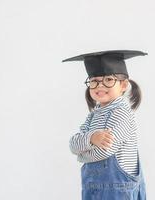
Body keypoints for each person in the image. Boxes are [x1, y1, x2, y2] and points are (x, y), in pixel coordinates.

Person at [63, 50, 147, 200]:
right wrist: (92, 138)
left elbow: (105, 151)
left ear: (123, 85)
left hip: (118, 191)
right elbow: (72, 144)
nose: (99, 86)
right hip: (91, 188)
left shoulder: (122, 114)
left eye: (108, 80)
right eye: (94, 81)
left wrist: (82, 154)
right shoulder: (93, 115)